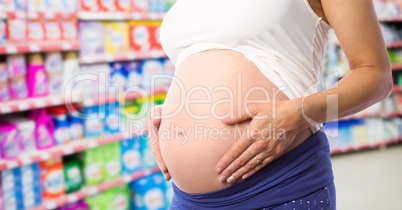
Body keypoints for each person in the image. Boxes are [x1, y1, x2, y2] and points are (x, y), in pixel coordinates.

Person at [148, 0, 392, 209]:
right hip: (188, 200)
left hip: (278, 185)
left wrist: (300, 113)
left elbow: (376, 76)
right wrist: (172, 114)